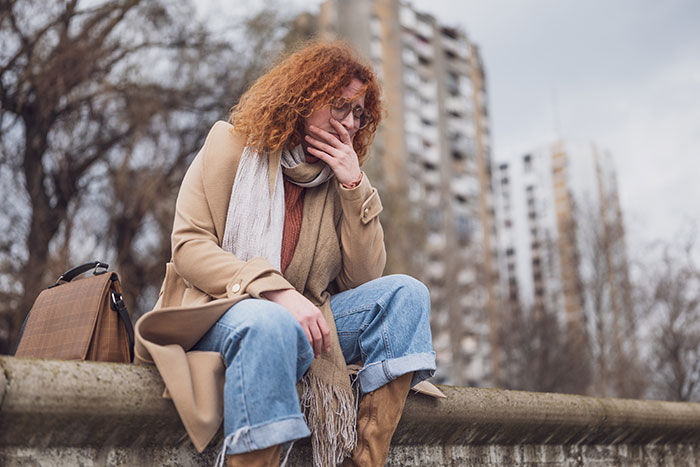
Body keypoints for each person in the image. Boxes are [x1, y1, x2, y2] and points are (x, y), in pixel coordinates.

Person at [134, 41, 436, 467]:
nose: (349, 123)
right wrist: (277, 293)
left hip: (311, 320)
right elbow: (189, 248)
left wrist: (355, 189)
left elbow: (363, 280)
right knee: (270, 322)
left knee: (408, 295)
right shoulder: (230, 146)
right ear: (303, 98)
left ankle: (364, 461)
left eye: (358, 114)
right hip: (221, 309)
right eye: (339, 106)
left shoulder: (336, 180)